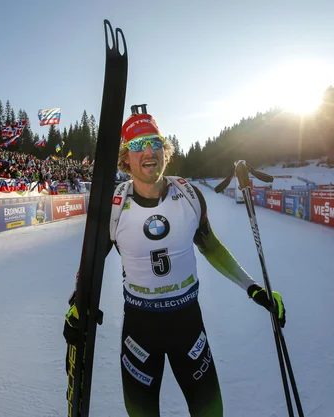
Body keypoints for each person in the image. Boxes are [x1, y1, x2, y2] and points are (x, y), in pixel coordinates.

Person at [63, 106, 286, 416]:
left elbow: (212, 247)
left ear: (165, 150)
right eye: (138, 146)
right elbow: (91, 263)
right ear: (126, 159)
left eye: (155, 142)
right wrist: (78, 302)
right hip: (140, 328)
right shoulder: (114, 205)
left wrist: (253, 288)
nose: (149, 151)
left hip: (188, 324)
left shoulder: (190, 194)